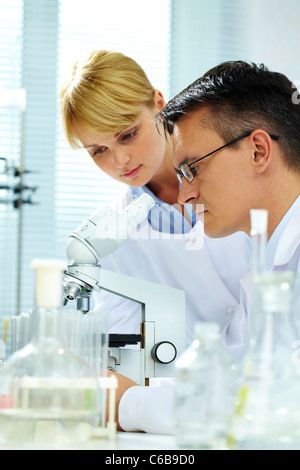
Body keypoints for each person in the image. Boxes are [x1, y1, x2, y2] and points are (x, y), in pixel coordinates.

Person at [59, 51, 251, 433]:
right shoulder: (111, 235)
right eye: (98, 150)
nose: (120, 160)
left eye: (128, 134)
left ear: (159, 105)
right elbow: (129, 352)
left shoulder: (236, 180)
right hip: (184, 412)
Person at [109, 60, 300, 435]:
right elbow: (232, 382)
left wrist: (127, 403)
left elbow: (276, 409)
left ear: (259, 151)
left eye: (192, 169)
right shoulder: (269, 262)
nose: (184, 195)